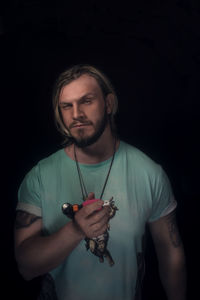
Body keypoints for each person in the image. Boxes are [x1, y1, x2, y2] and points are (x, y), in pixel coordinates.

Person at [15, 64, 187, 300]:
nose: (76, 114)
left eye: (86, 101)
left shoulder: (149, 173)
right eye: (67, 106)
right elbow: (26, 267)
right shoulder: (39, 176)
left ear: (108, 104)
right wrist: (75, 229)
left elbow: (171, 254)